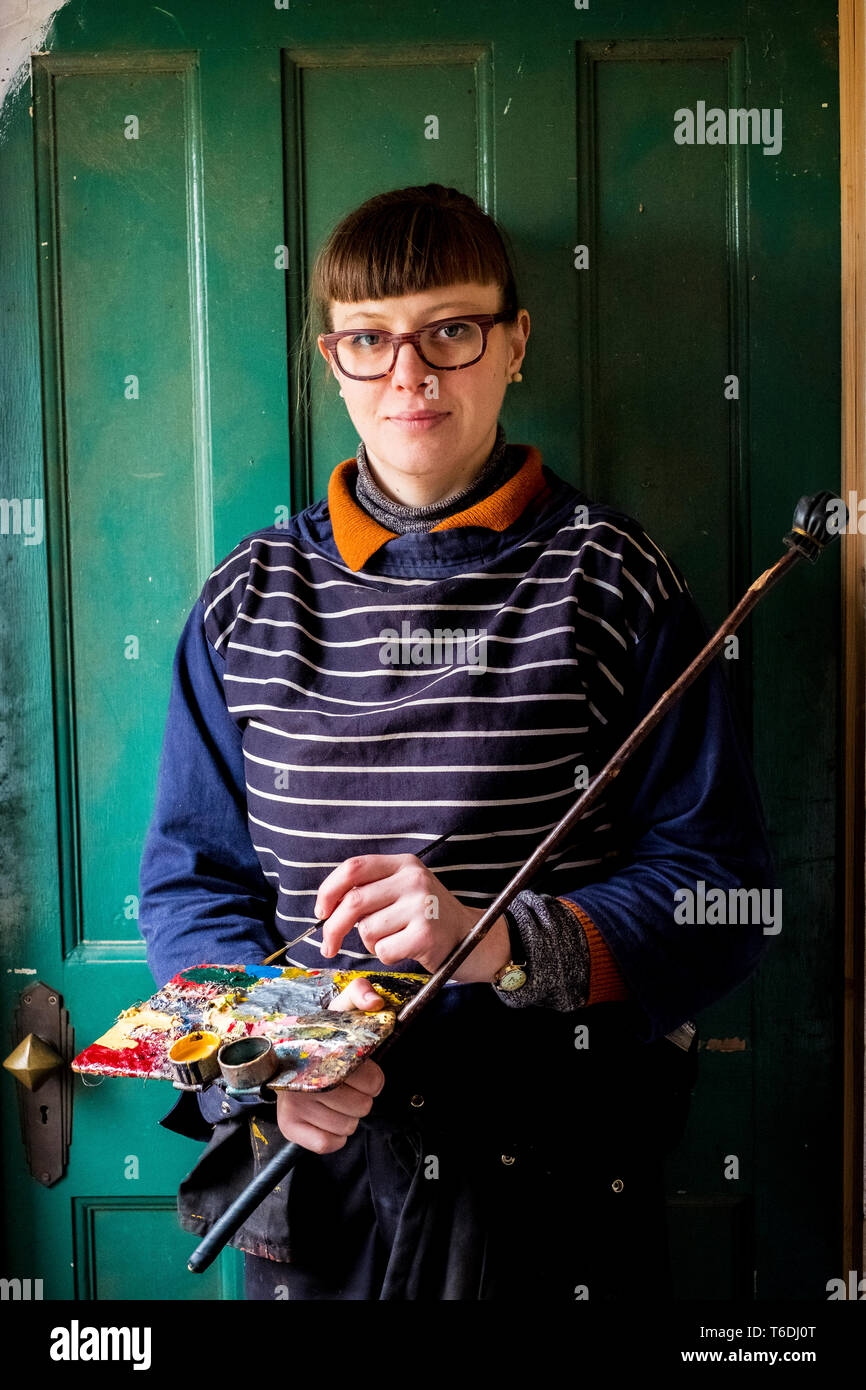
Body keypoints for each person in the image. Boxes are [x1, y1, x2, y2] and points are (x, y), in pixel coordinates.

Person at [139, 183, 776, 1302]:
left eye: (450, 330)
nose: (410, 375)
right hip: (315, 1179)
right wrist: (274, 1068)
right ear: (331, 359)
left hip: (555, 1179)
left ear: (513, 341)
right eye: (369, 341)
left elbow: (719, 890)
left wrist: (495, 943)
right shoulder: (244, 599)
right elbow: (194, 881)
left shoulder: (614, 579)